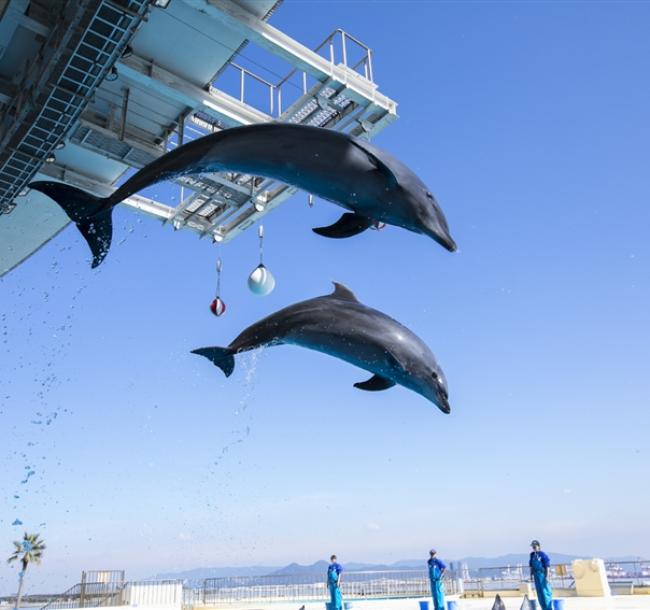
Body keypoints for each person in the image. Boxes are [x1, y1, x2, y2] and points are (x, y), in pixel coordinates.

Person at [529, 540, 553, 610]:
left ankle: (548, 608)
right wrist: (531, 575)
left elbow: (547, 566)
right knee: (539, 592)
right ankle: (543, 608)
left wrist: (547, 576)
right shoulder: (532, 555)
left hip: (542, 574)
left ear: (538, 546)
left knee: (545, 592)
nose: (534, 548)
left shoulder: (542, 554)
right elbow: (531, 566)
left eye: (535, 546)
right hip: (536, 575)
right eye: (533, 547)